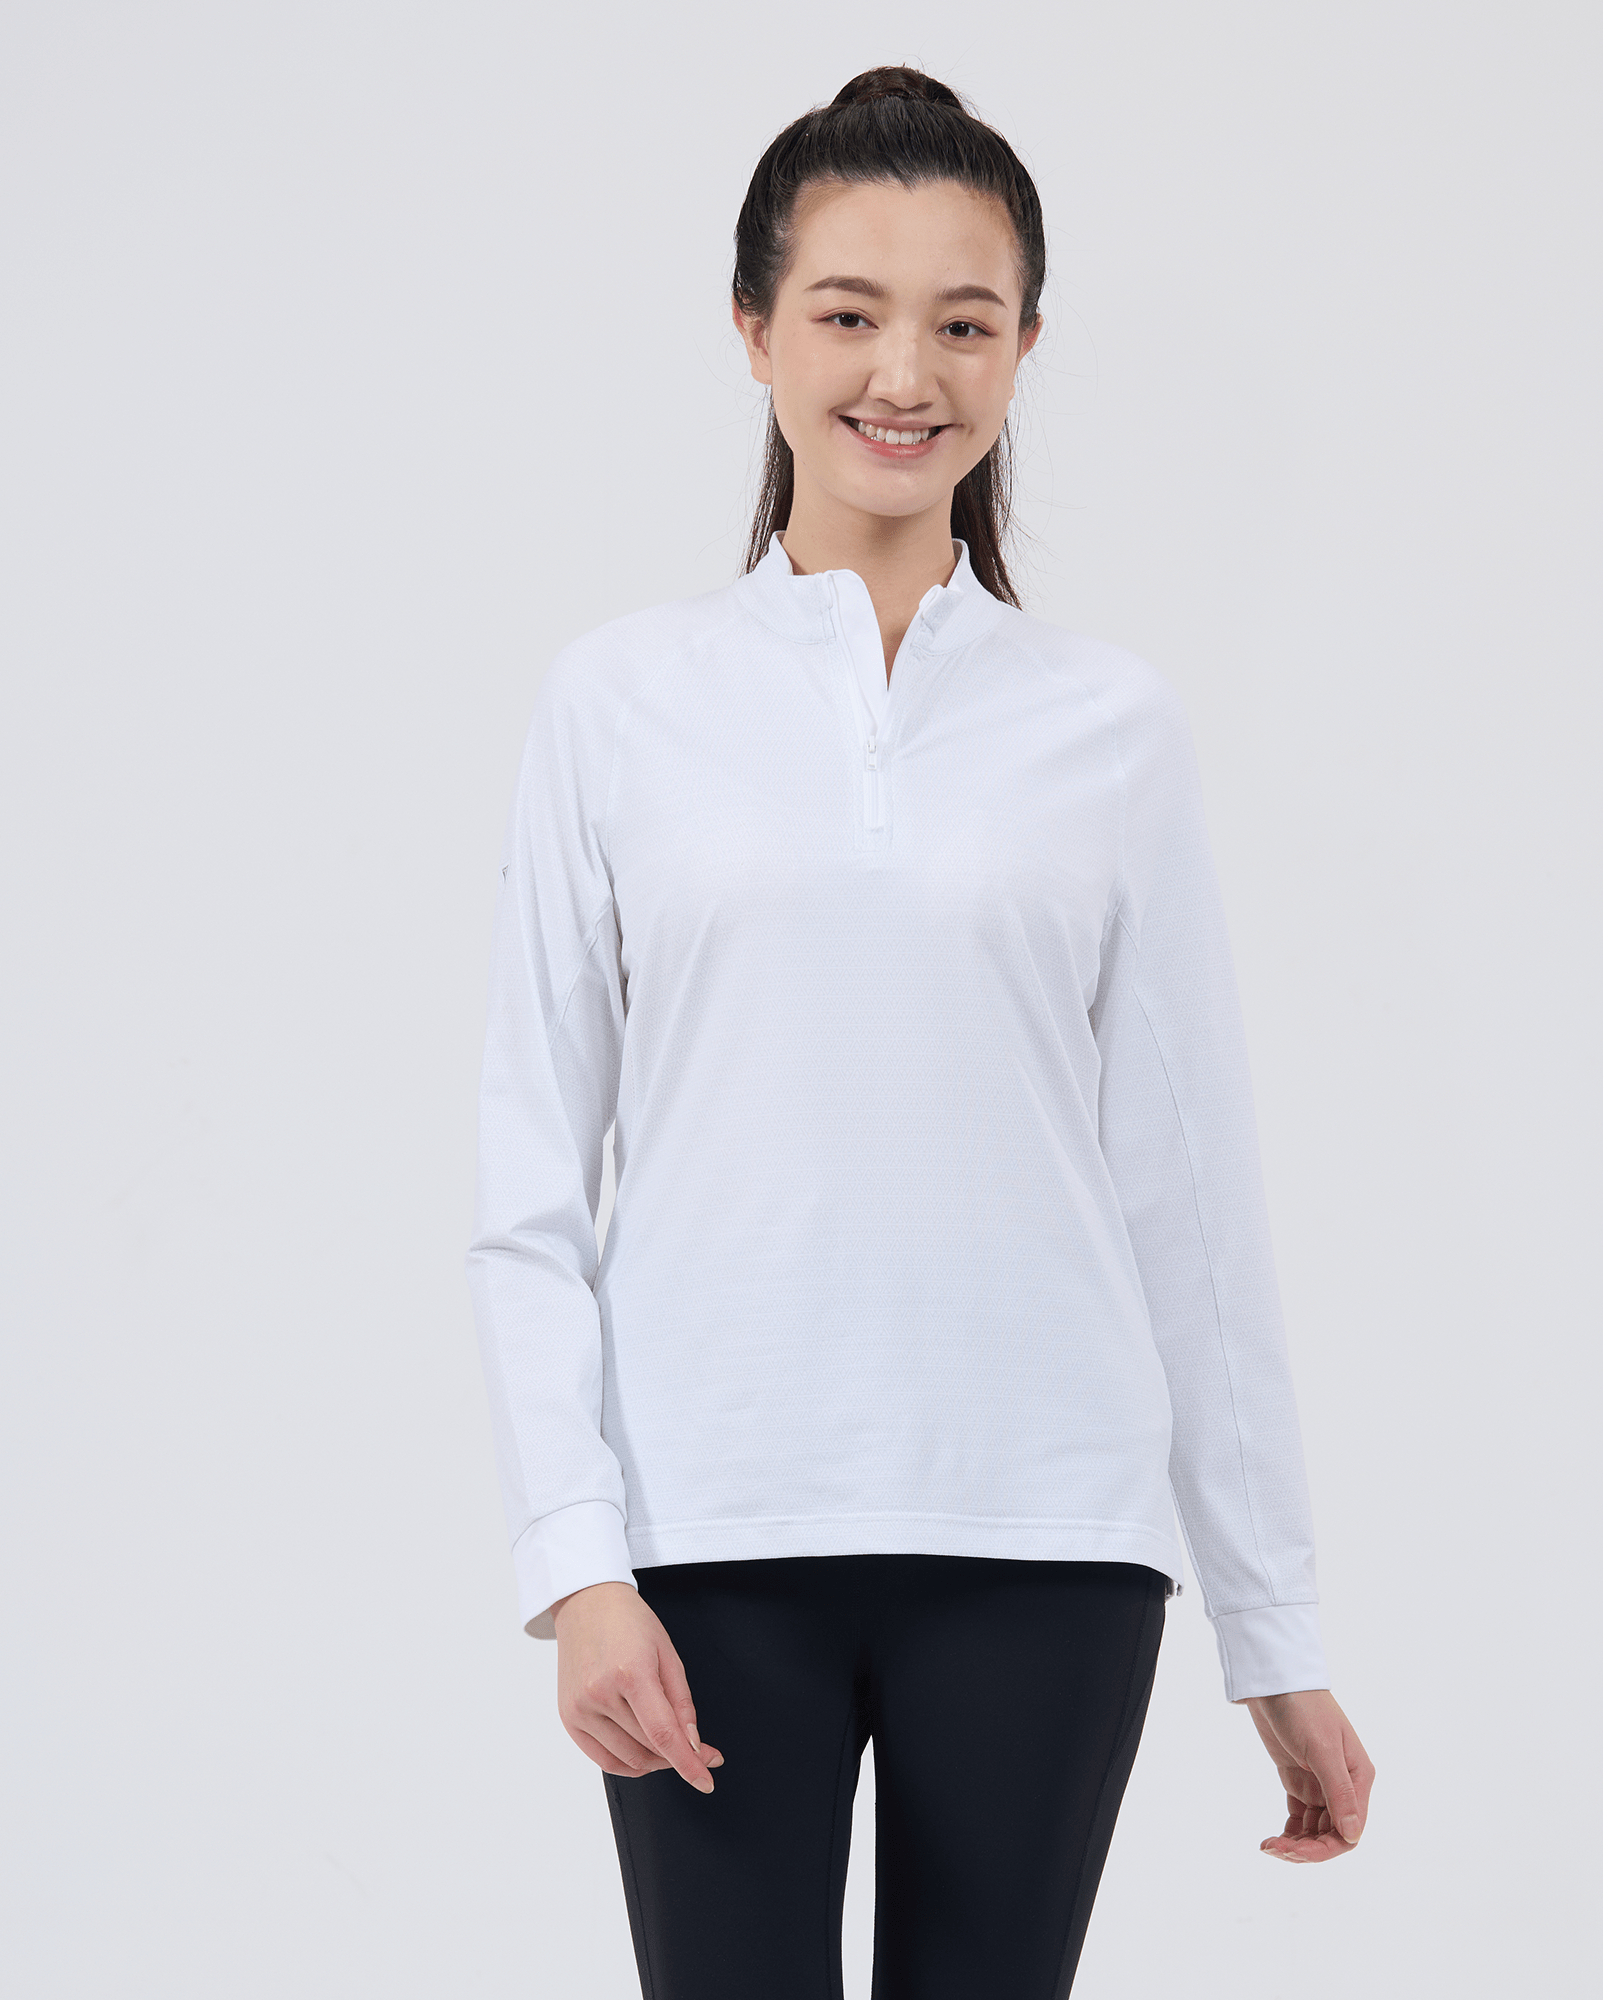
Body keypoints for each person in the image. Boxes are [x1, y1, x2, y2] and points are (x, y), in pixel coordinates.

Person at [466, 65, 1374, 1999]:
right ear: (753, 331)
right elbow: (529, 1181)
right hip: (707, 1540)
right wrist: (577, 1564)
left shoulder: (1109, 729)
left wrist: (1273, 1627)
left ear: (1025, 347)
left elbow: (1192, 1208)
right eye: (847, 313)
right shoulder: (618, 705)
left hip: (1047, 1544)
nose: (905, 373)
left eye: (965, 323)